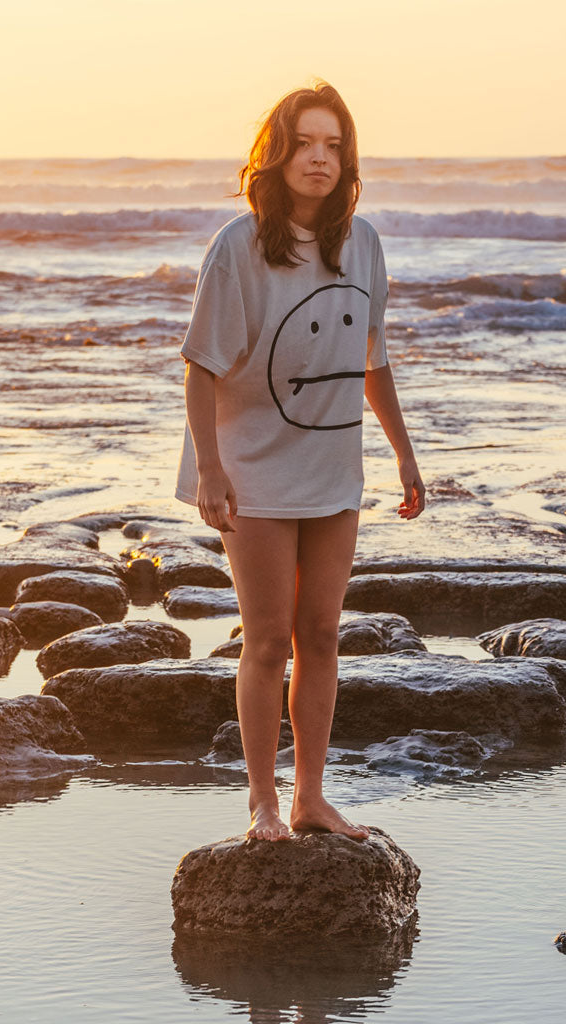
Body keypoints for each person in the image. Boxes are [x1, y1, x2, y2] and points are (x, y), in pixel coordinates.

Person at [175, 81, 425, 842]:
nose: (319, 159)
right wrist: (211, 469)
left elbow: (372, 357)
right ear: (277, 153)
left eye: (334, 144)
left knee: (321, 634)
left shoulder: (365, 243)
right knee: (266, 635)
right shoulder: (239, 246)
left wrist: (404, 455)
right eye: (305, 143)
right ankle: (260, 801)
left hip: (331, 467)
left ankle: (310, 797)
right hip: (251, 465)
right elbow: (201, 365)